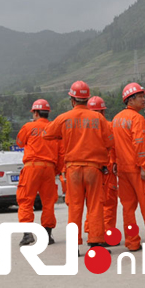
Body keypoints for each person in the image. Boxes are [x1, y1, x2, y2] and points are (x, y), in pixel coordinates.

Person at [44, 81, 114, 253]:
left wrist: (65, 136)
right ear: (87, 99)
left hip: (73, 169)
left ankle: (74, 246)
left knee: (75, 207)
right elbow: (110, 142)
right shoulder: (98, 118)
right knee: (95, 206)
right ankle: (96, 243)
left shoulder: (64, 118)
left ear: (72, 100)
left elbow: (47, 134)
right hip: (94, 168)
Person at [112, 83, 145, 252]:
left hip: (122, 169)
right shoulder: (137, 118)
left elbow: (112, 145)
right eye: (140, 97)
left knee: (128, 208)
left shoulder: (116, 119)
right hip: (137, 169)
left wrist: (114, 163)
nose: (143, 99)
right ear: (131, 99)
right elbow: (140, 144)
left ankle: (132, 242)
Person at [15, 99, 61, 245]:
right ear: (47, 113)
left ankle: (28, 234)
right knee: (48, 202)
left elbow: (20, 142)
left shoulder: (28, 127)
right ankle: (47, 235)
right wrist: (56, 170)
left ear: (35, 113)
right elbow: (62, 153)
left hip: (32, 166)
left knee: (26, 200)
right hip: (49, 168)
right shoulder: (55, 129)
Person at [88, 95, 119, 237]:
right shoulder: (109, 125)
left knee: (92, 202)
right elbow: (114, 146)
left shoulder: (84, 127)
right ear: (103, 112)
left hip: (90, 169)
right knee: (109, 203)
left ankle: (91, 231)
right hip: (107, 168)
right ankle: (106, 233)